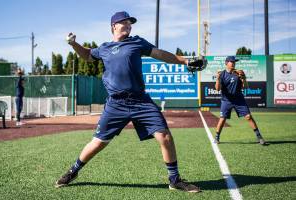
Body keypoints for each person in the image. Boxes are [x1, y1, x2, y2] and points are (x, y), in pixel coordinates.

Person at [55, 11, 205, 192]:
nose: (128, 25)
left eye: (130, 23)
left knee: (164, 136)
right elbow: (87, 55)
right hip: (115, 104)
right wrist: (73, 44)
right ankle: (73, 170)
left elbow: (161, 54)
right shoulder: (104, 48)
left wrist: (185, 61)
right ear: (114, 26)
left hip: (140, 100)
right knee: (99, 143)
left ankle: (174, 180)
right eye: (124, 22)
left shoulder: (137, 42)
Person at [214, 56, 266, 145]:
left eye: (234, 62)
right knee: (222, 119)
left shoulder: (238, 73)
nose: (234, 63)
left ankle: (259, 137)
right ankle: (217, 137)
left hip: (239, 100)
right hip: (226, 100)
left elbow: (245, 87)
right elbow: (218, 89)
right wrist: (218, 79)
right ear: (226, 63)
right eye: (232, 62)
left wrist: (244, 78)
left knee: (249, 117)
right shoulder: (222, 74)